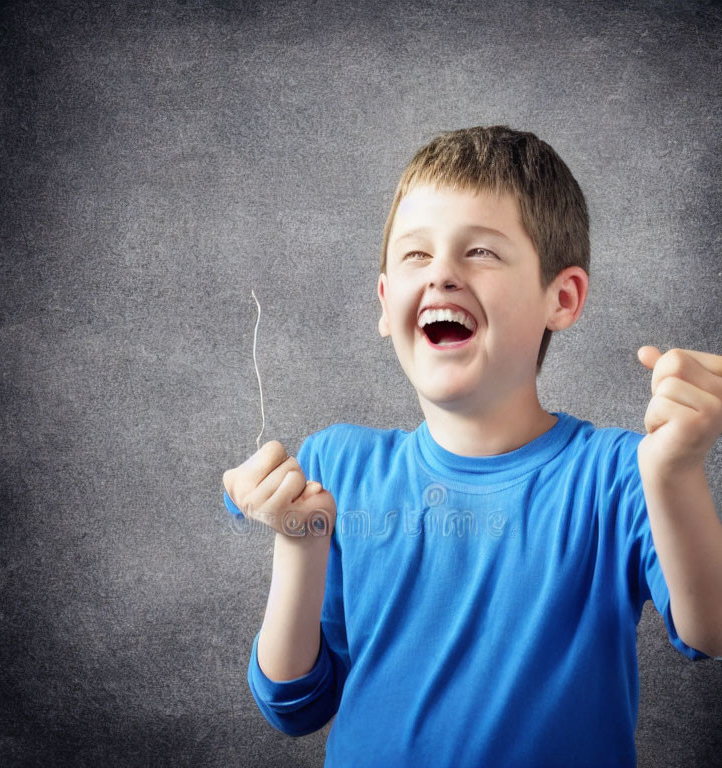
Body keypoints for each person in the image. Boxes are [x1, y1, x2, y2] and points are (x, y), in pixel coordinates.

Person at [222, 126, 722, 768]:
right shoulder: (336, 466)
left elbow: (709, 632)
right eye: (415, 255)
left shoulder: (622, 475)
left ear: (561, 298)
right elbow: (295, 707)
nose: (443, 276)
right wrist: (300, 544)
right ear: (384, 303)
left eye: (480, 252)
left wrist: (677, 473)